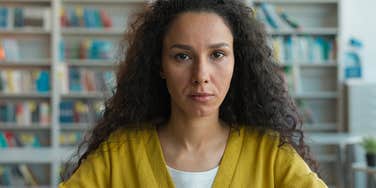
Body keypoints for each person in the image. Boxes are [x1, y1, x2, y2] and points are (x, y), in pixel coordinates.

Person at [59, 0, 327, 187]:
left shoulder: (270, 154)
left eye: (218, 54)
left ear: (238, 63)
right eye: (182, 56)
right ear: (160, 65)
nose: (201, 74)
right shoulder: (118, 153)